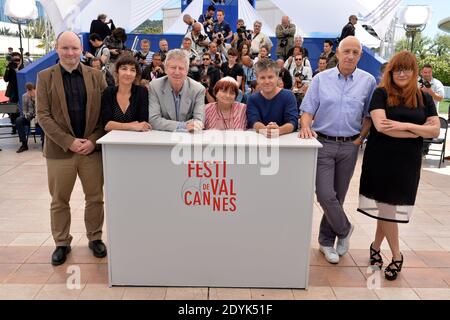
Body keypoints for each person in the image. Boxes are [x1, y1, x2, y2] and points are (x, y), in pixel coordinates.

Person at [358, 51, 440, 281]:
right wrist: (417, 131)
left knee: (388, 208)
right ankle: (396, 255)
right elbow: (382, 127)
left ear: (414, 72)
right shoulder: (380, 93)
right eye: (397, 69)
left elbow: (435, 131)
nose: (402, 73)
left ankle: (375, 247)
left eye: (407, 69)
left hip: (407, 162)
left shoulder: (423, 98)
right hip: (380, 159)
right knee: (387, 208)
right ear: (391, 72)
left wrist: (402, 125)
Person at [299, 36, 377, 264]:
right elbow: (307, 111)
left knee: (338, 196)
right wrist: (305, 127)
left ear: (360, 56)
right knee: (324, 194)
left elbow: (368, 116)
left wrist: (359, 139)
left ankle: (326, 242)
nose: (351, 56)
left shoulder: (368, 81)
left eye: (355, 52)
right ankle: (345, 229)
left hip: (350, 146)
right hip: (323, 143)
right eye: (347, 51)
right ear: (338, 54)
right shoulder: (321, 79)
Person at [36, 31, 108, 266]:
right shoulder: (45, 77)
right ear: (56, 48)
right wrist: (69, 141)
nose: (70, 53)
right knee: (59, 200)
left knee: (95, 198)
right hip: (60, 152)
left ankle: (95, 237)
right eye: (65, 48)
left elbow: (105, 115)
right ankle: (62, 242)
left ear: (81, 49)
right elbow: (43, 116)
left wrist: (93, 140)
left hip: (91, 150)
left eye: (75, 48)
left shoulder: (97, 76)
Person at [148, 49, 205, 132]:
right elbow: (154, 120)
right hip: (162, 138)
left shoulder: (198, 89)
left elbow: (198, 121)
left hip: (187, 139)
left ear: (187, 71)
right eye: (173, 67)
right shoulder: (154, 86)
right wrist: (184, 125)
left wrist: (193, 125)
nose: (177, 72)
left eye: (181, 68)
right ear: (166, 69)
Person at [247, 58, 298, 138]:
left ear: (277, 77)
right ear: (257, 79)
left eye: (270, 77)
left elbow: (293, 122)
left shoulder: (288, 96)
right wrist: (265, 130)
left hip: (285, 141)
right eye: (262, 78)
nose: (267, 81)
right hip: (260, 141)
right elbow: (253, 120)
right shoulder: (252, 99)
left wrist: (279, 130)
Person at [101, 55, 150, 132]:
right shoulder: (108, 92)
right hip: (112, 141)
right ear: (117, 72)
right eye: (124, 69)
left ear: (136, 74)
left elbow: (143, 123)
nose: (128, 73)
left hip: (135, 140)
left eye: (132, 70)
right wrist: (132, 126)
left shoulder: (142, 92)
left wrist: (116, 125)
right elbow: (106, 125)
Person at [418, 64, 445, 156]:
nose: (427, 74)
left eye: (429, 72)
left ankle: (423, 151)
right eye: (425, 72)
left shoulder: (437, 83)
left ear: (431, 72)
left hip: (431, 114)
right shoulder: (416, 81)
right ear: (422, 72)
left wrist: (430, 91)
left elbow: (440, 98)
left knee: (427, 134)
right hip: (417, 112)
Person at [4, 51, 23, 134]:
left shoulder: (23, 67)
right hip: (13, 92)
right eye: (14, 60)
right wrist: (8, 68)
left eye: (18, 59)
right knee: (12, 110)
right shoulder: (10, 68)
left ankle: (21, 126)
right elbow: (5, 79)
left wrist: (18, 69)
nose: (16, 62)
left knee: (22, 109)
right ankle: (14, 127)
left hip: (22, 91)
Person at [15, 83, 36, 153]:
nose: (29, 92)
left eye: (31, 90)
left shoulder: (40, 95)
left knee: (45, 121)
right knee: (18, 121)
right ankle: (24, 144)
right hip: (29, 116)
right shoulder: (25, 96)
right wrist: (26, 115)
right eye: (28, 90)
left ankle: (44, 143)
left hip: (39, 117)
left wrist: (35, 99)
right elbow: (24, 109)